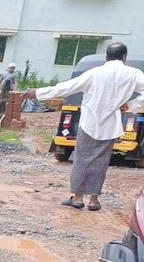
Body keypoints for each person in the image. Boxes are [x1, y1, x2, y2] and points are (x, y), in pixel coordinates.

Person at [24, 42, 144, 211]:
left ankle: (78, 197)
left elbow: (67, 87)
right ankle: (94, 200)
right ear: (124, 57)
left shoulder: (94, 73)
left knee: (82, 159)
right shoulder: (134, 74)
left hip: (89, 123)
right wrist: (131, 104)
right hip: (110, 124)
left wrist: (37, 92)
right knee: (101, 162)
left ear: (106, 57)